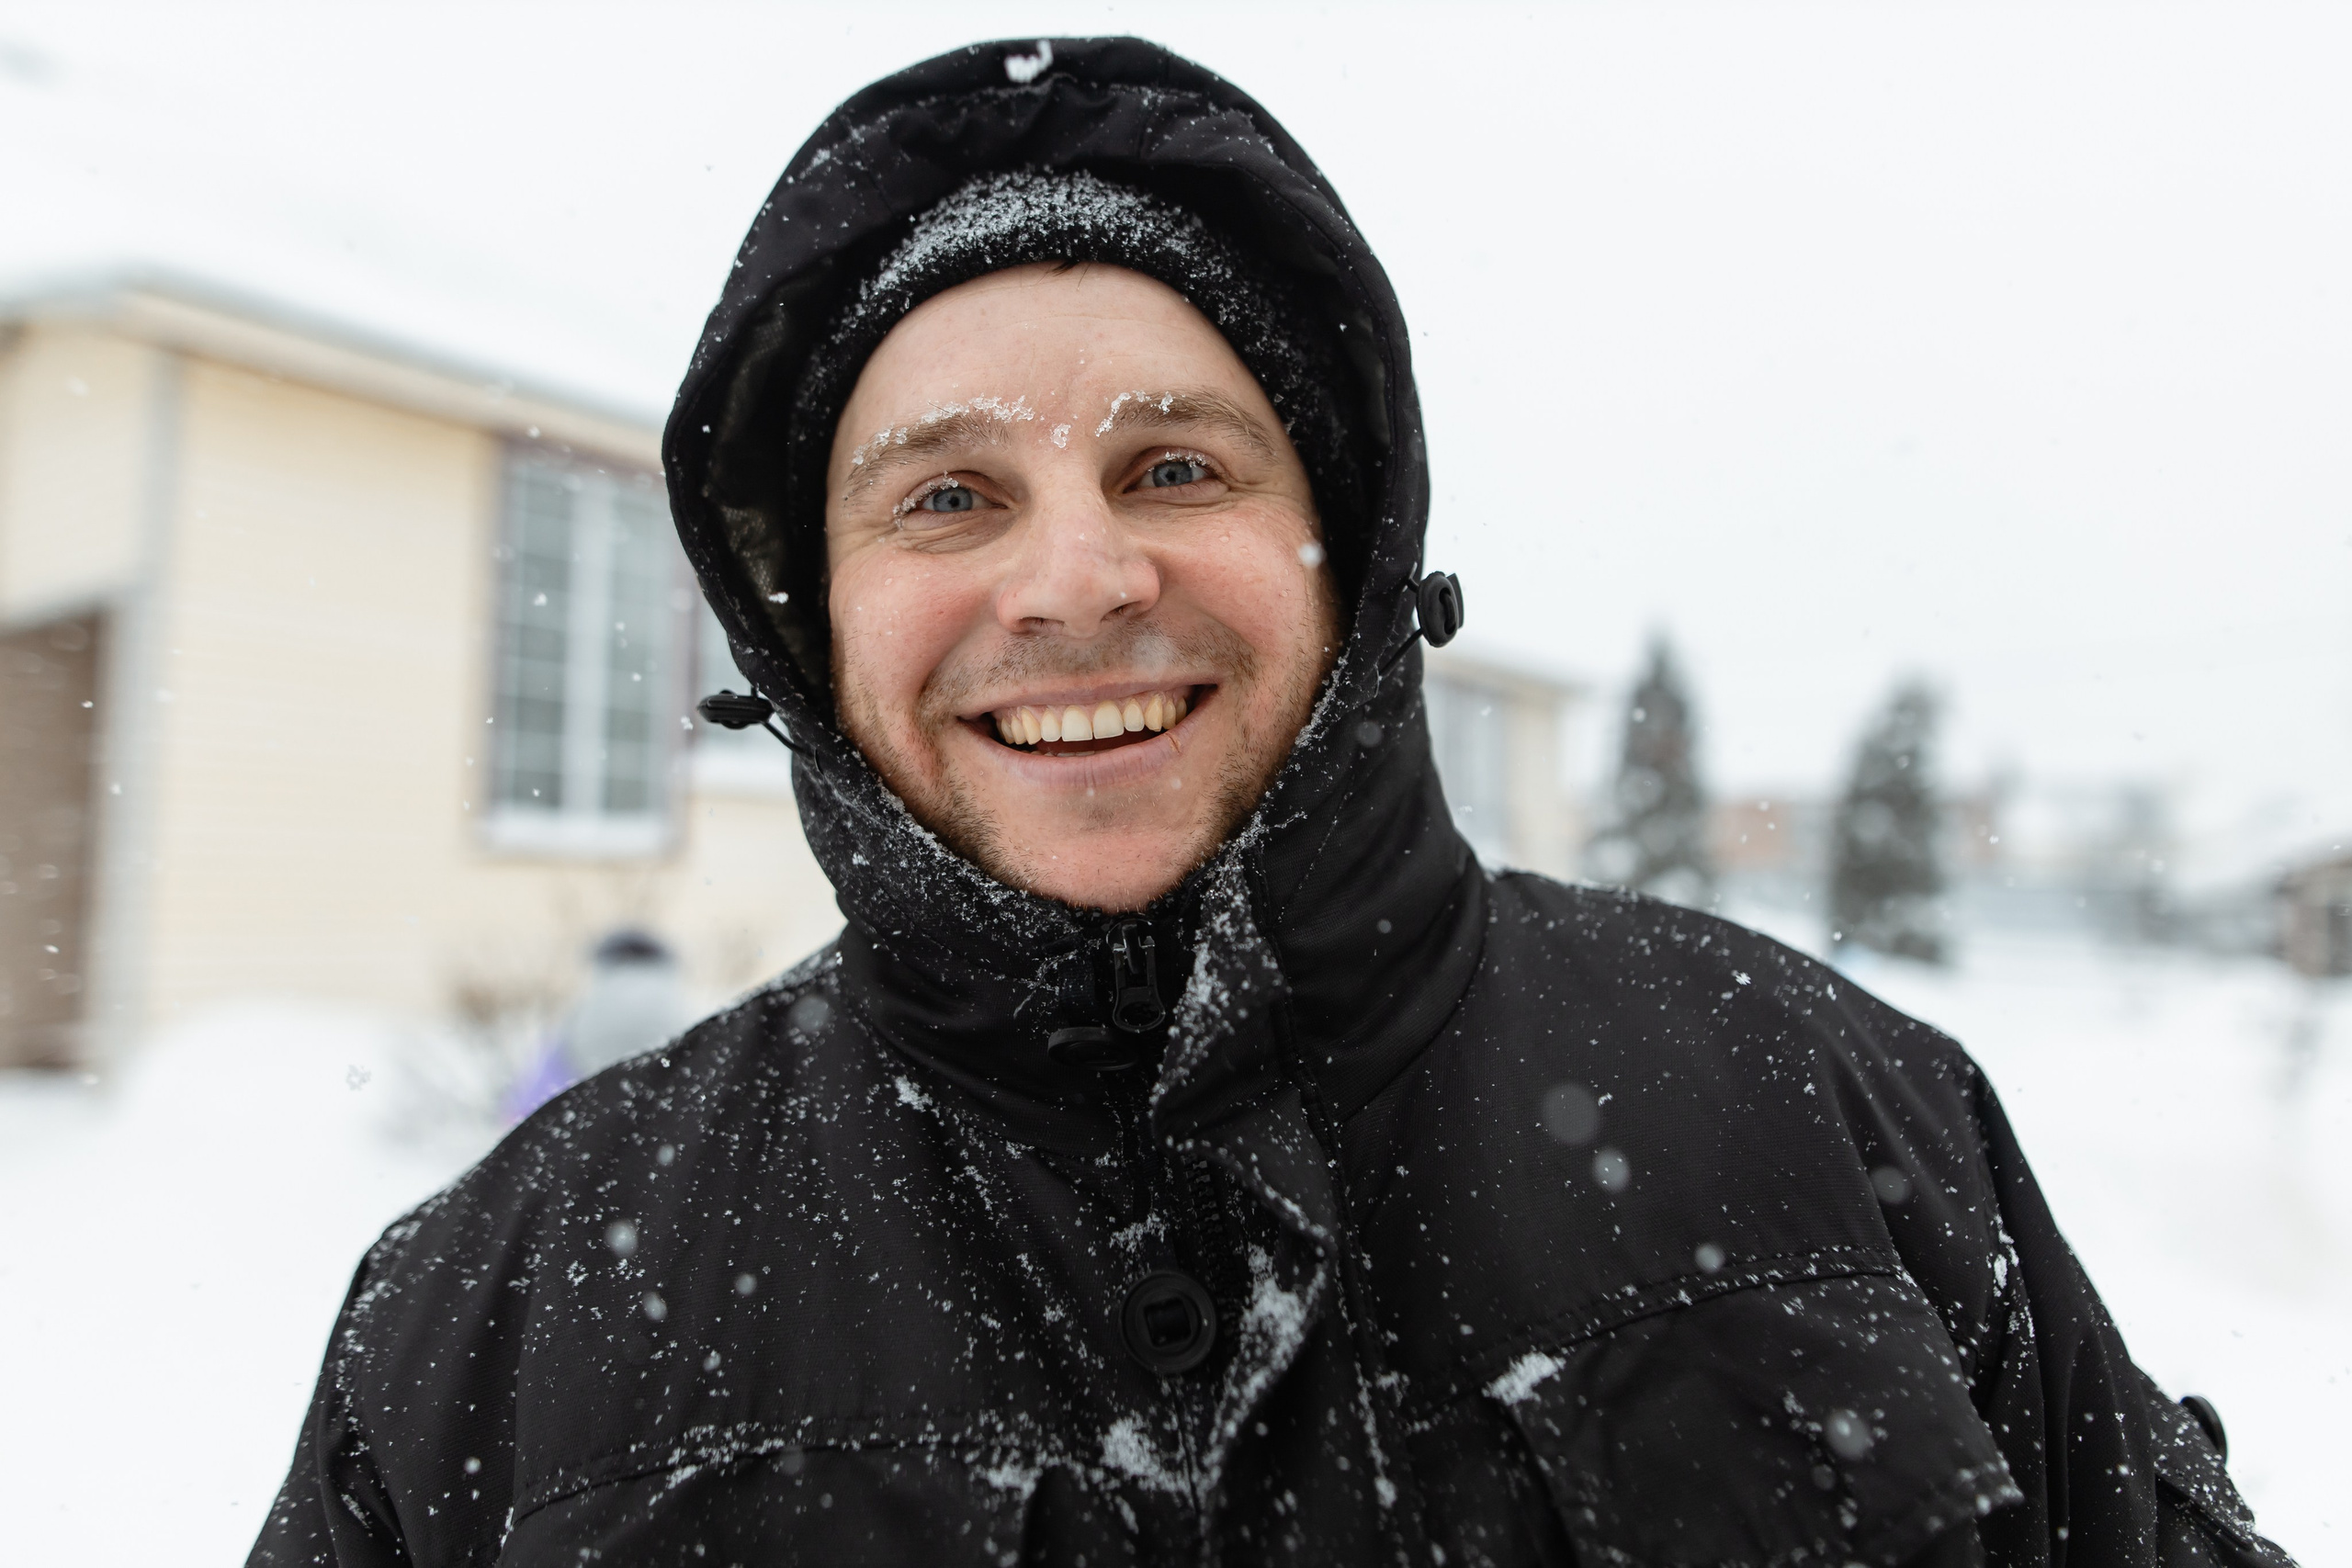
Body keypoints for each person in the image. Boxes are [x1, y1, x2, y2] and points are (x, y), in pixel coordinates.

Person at [252, 39, 2294, 1568]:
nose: (1072, 580)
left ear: (1344, 545)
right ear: (808, 619)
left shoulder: (1822, 1107)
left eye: (1175, 469)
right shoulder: (498, 1307)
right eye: (947, 495)